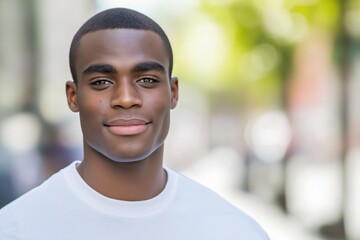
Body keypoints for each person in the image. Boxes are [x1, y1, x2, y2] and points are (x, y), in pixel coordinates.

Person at [0, 8, 269, 239]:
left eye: (147, 80)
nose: (126, 99)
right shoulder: (15, 229)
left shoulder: (233, 232)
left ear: (173, 92)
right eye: (101, 82)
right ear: (73, 96)